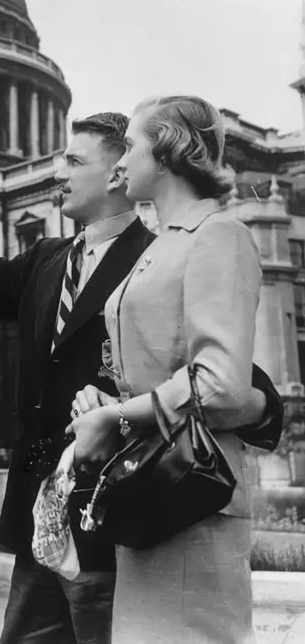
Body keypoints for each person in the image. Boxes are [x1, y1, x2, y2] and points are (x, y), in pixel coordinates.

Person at [0, 114, 282, 644]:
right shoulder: (47, 259)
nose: (58, 173)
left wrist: (265, 408)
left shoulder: (163, 253)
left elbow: (223, 371)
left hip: (119, 505)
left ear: (119, 173)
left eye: (74, 161)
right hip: (38, 512)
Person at [68, 95, 268, 643]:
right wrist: (104, 404)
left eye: (130, 146)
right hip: (155, 486)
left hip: (193, 491)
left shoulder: (217, 236)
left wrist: (114, 418)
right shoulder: (162, 246)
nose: (119, 162)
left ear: (169, 151)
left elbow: (222, 383)